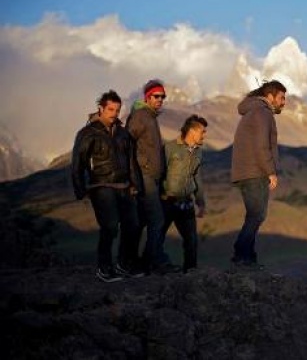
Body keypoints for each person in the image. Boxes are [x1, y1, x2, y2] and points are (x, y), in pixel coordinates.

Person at [71, 90, 144, 282]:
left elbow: (131, 161)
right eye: (110, 109)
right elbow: (77, 163)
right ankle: (104, 268)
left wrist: (135, 184)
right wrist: (81, 190)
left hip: (124, 186)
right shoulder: (88, 133)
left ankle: (122, 265)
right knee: (110, 227)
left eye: (117, 109)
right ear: (101, 109)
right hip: (101, 185)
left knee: (133, 226)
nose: (114, 113)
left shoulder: (123, 134)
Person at [230, 80, 287, 270]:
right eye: (281, 97)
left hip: (245, 172)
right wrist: (270, 171)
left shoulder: (252, 111)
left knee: (254, 215)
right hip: (255, 172)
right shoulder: (263, 112)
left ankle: (248, 257)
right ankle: (241, 254)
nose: (283, 102)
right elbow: (262, 145)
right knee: (257, 215)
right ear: (270, 96)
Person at [126, 79, 177, 274]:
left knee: (142, 221)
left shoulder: (150, 117)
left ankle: (134, 260)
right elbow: (127, 143)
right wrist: (134, 175)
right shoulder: (140, 116)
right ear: (148, 97)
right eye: (157, 96)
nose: (160, 100)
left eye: (163, 97)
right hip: (144, 176)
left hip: (150, 177)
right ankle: (151, 260)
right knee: (157, 220)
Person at [160, 114, 208, 273]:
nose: (204, 135)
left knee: (191, 240)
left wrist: (201, 202)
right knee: (157, 237)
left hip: (186, 203)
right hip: (167, 202)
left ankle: (191, 272)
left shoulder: (199, 152)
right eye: (202, 132)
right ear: (193, 132)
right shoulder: (169, 148)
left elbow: (197, 178)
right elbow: (160, 173)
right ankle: (151, 266)